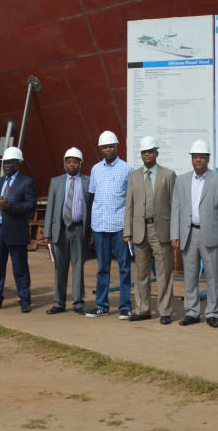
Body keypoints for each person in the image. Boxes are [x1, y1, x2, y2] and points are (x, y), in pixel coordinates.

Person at [171, 140, 218, 328]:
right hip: (189, 234)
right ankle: (192, 312)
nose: (198, 160)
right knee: (190, 276)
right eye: (195, 157)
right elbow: (176, 209)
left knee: (213, 276)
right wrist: (175, 234)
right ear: (191, 159)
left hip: (211, 234)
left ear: (208, 159)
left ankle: (213, 313)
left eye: (202, 157)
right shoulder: (181, 180)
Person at [124, 136, 176, 324]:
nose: (147, 154)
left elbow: (174, 205)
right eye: (144, 152)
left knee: (164, 273)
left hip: (160, 228)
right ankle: (143, 309)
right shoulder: (134, 176)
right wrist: (127, 231)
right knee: (141, 273)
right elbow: (129, 205)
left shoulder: (168, 175)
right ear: (141, 154)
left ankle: (165, 311)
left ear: (157, 153)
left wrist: (174, 233)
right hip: (139, 230)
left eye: (150, 151)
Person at [0, 146, 37, 312]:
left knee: (20, 268)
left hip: (16, 231)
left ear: (18, 163)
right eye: (4, 163)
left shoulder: (26, 182)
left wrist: (13, 206)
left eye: (10, 163)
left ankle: (25, 299)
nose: (6, 166)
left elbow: (31, 205)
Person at [87, 130, 134, 319]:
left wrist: (129, 229)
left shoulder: (126, 169)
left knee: (124, 268)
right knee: (102, 268)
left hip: (120, 227)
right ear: (101, 149)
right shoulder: (95, 169)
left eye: (110, 146)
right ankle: (102, 305)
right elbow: (93, 198)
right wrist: (92, 228)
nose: (108, 149)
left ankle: (125, 306)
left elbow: (130, 201)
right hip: (100, 227)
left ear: (116, 146)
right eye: (104, 147)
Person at [42, 147, 93, 315]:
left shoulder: (87, 182)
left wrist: (91, 233)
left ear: (80, 164)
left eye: (75, 162)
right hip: (60, 229)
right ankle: (59, 302)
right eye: (69, 162)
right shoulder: (55, 182)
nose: (72, 165)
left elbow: (92, 208)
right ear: (64, 163)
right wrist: (47, 233)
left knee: (78, 266)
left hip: (79, 229)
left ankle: (78, 302)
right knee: (60, 266)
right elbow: (50, 208)